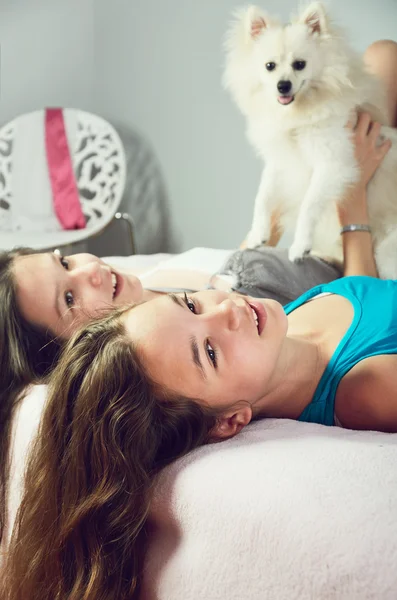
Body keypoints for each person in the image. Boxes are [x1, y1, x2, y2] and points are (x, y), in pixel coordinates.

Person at [1, 39, 397, 596]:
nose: (226, 313)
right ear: (229, 420)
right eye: (207, 352)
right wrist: (353, 213)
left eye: (190, 303)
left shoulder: (262, 321)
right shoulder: (361, 389)